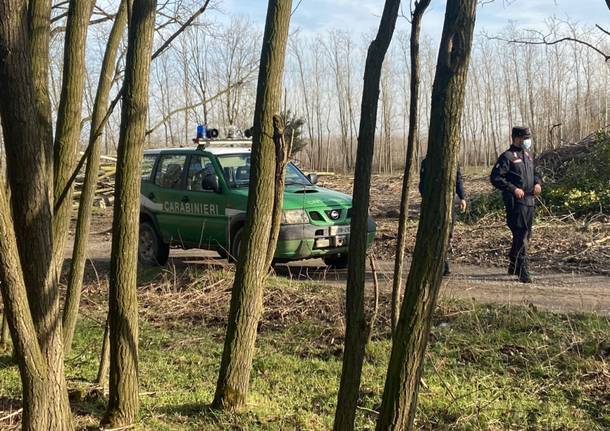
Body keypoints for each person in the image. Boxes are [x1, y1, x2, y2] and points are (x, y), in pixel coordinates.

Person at [490, 126, 542, 283]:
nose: (527, 141)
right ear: (516, 138)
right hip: (515, 202)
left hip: (529, 200)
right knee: (521, 234)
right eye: (525, 138)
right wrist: (513, 189)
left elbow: (535, 173)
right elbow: (496, 178)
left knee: (526, 234)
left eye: (528, 138)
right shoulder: (507, 157)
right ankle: (522, 269)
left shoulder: (527, 155)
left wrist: (538, 183)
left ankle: (513, 264)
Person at [419, 157, 467, 276]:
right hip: (432, 204)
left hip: (449, 203)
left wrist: (462, 197)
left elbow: (458, 180)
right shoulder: (427, 162)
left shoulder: (453, 160)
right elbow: (422, 184)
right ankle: (438, 265)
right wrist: (428, 199)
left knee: (447, 233)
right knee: (434, 232)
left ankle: (442, 263)